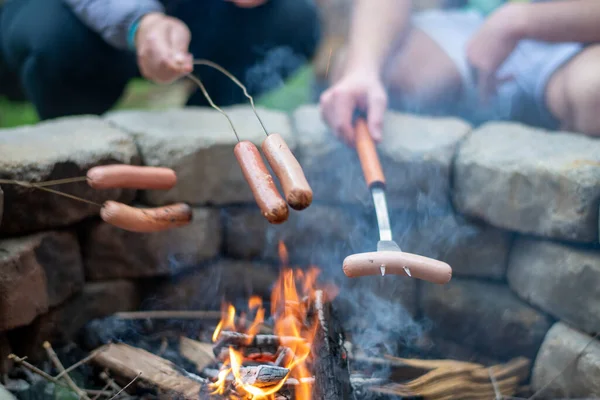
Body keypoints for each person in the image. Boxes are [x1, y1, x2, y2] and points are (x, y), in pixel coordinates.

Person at [320, 0, 600, 146]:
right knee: (367, 76)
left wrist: (519, 21)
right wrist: (364, 69)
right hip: (471, 24)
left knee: (594, 92)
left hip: (581, 34)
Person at [0, 0, 320, 120]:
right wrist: (141, 22)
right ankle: (78, 161)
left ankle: (203, 129)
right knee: (54, 41)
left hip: (191, 16)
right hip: (74, 17)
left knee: (295, 19)